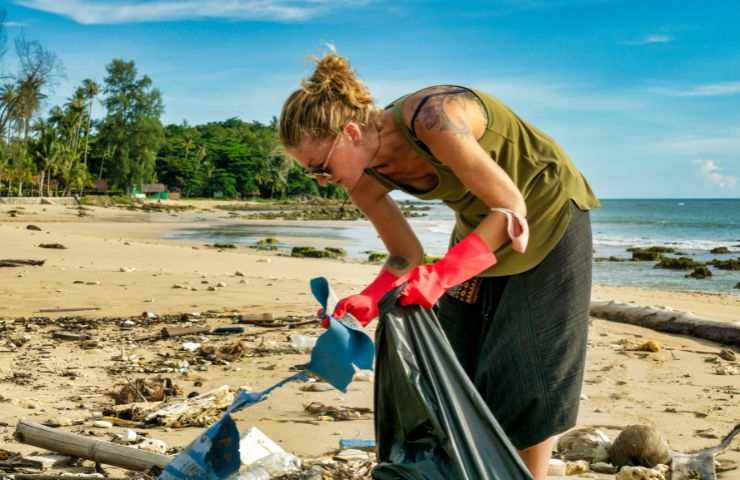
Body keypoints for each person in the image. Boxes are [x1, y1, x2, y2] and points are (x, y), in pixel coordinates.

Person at [279, 50, 600, 480]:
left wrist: (442, 275)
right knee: (459, 357)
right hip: (480, 228)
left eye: (320, 167)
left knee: (530, 367)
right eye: (309, 173)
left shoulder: (433, 117)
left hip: (546, 212)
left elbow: (511, 207)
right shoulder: (362, 181)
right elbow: (404, 256)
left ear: (352, 133)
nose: (321, 180)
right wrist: (369, 298)